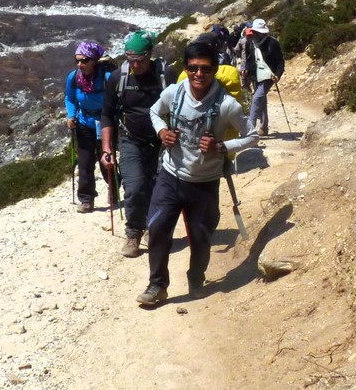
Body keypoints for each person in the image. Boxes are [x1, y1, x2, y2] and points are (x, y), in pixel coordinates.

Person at [136, 42, 258, 306]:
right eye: (193, 68)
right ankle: (157, 285)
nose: (198, 74)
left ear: (214, 69)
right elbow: (155, 111)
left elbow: (252, 136)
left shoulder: (227, 105)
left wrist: (221, 147)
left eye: (205, 69)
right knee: (157, 229)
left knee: (201, 238)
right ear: (186, 68)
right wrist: (162, 132)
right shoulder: (174, 93)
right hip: (170, 176)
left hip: (204, 182)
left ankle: (196, 278)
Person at [101, 30, 178, 258]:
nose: (135, 65)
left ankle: (155, 229)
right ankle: (133, 233)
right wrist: (106, 148)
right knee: (134, 188)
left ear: (150, 54)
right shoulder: (118, 78)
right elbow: (107, 114)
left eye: (140, 59)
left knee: (159, 189)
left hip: (162, 142)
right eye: (130, 59)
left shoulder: (166, 74)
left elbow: (180, 108)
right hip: (130, 140)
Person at [65, 41, 112, 213]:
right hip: (84, 123)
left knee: (106, 160)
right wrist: (71, 115)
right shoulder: (73, 77)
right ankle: (86, 199)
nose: (80, 64)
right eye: (77, 60)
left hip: (104, 124)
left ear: (94, 61)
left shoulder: (107, 77)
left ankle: (114, 188)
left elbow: (116, 99)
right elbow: (70, 98)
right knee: (85, 163)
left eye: (84, 60)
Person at [243, 18, 284, 136]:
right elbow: (250, 59)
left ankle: (249, 130)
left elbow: (280, 61)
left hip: (269, 75)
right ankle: (264, 127)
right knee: (261, 100)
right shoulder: (250, 43)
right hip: (255, 75)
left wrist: (278, 74)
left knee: (257, 98)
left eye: (257, 32)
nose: (255, 34)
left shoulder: (273, 43)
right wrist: (247, 70)